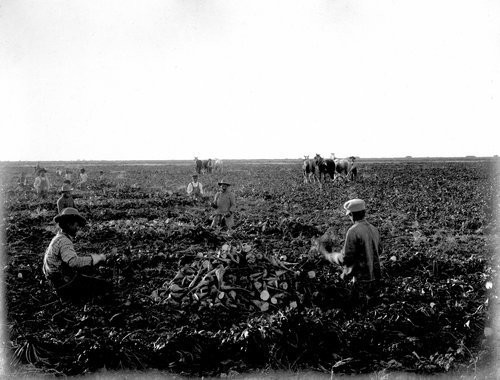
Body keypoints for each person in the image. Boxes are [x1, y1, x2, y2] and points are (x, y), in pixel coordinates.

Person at [318, 198, 382, 305]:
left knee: (360, 309)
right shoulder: (374, 229)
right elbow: (379, 250)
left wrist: (330, 256)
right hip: (376, 278)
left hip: (362, 280)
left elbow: (346, 258)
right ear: (364, 212)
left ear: (351, 215)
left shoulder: (353, 231)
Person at [43, 208, 110, 302]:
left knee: (88, 275)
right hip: (63, 284)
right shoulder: (64, 241)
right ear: (69, 224)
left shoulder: (58, 238)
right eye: (76, 224)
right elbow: (73, 262)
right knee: (104, 285)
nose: (77, 227)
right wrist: (95, 258)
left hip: (56, 281)